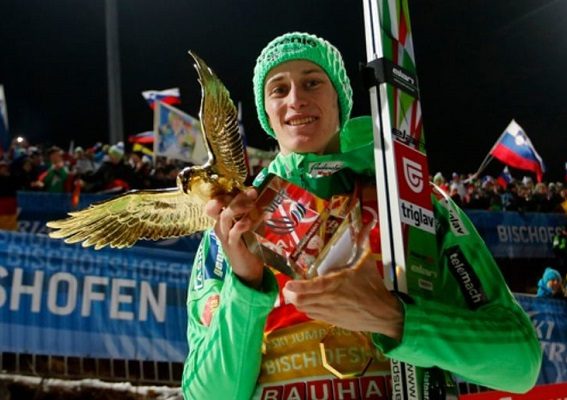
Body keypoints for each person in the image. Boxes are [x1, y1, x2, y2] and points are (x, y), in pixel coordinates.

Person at [182, 32, 541, 399]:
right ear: (265, 113)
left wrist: (392, 318)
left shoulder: (411, 197)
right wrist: (245, 287)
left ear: (339, 99)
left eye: (312, 82)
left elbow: (521, 362)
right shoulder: (234, 227)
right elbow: (207, 396)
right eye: (278, 89)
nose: (295, 99)